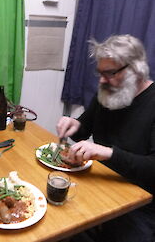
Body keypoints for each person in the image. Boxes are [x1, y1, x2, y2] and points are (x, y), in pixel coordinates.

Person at [57, 34, 155, 242]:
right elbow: (83, 130)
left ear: (135, 69)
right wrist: (73, 125)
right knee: (56, 225)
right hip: (99, 186)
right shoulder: (109, 90)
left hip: (140, 204)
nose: (102, 80)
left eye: (109, 73)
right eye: (100, 72)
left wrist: (109, 154)